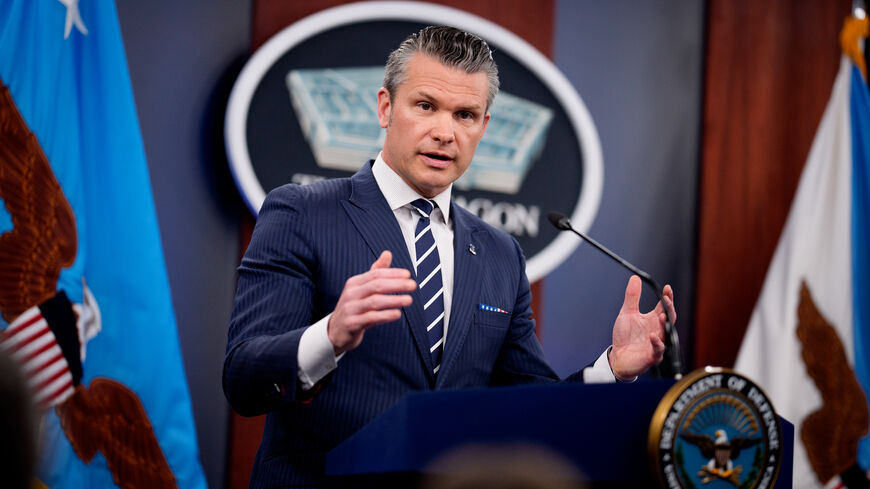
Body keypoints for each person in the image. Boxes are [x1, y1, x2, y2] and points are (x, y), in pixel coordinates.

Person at [223, 25, 676, 488]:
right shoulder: (302, 212)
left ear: (484, 126)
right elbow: (243, 379)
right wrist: (330, 335)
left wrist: (612, 369)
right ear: (385, 107)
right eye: (425, 106)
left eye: (465, 114)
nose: (444, 132)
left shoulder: (500, 253)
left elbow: (534, 407)